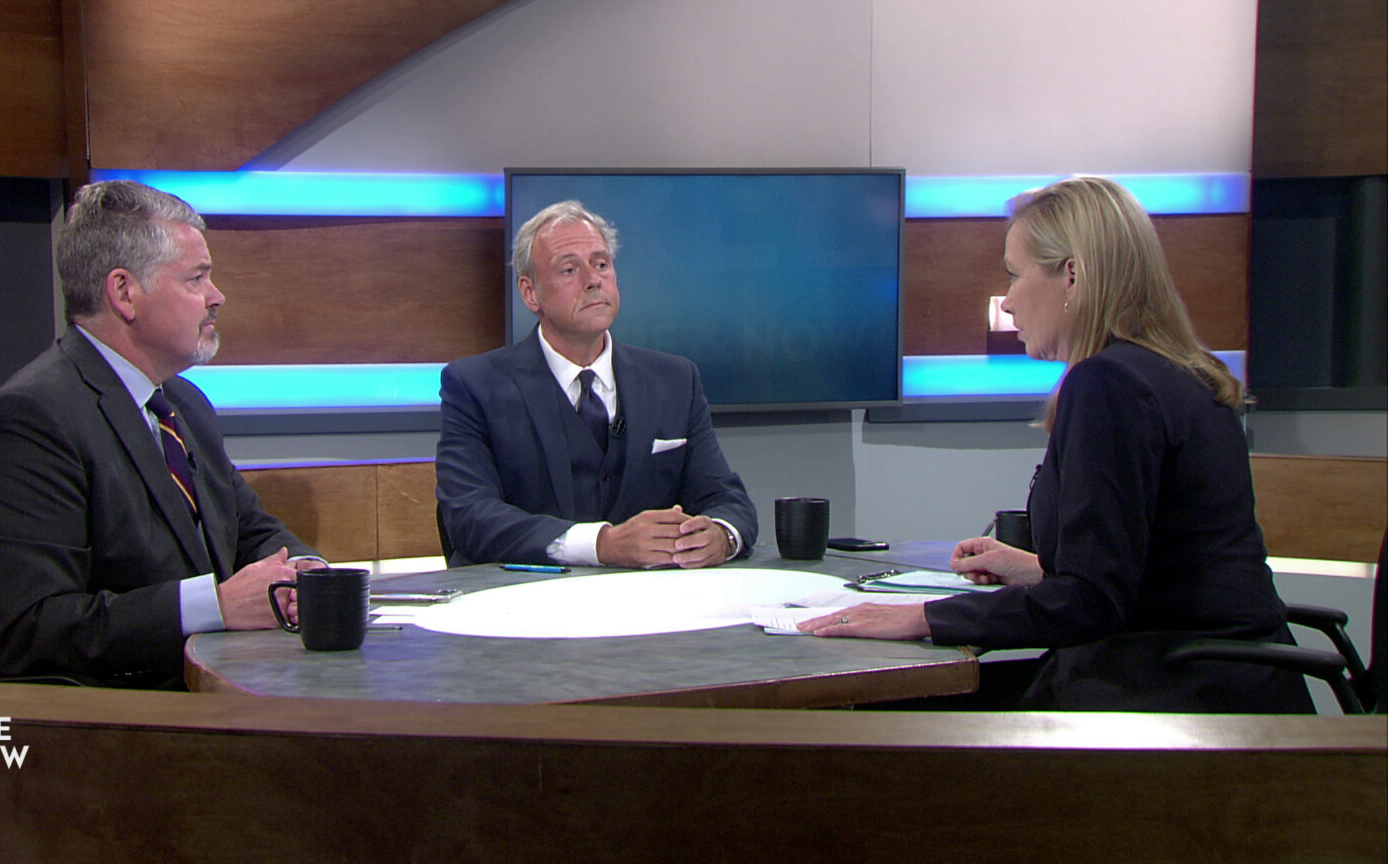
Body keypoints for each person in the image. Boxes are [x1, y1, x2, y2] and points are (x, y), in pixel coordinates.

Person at [800, 176, 1313, 713]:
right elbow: (1161, 566)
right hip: (1229, 680)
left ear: (1072, 275)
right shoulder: (1185, 373)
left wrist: (924, 617)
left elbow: (1092, 603)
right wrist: (1036, 569)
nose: (1011, 304)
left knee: (884, 723)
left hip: (1175, 695)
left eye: (1016, 276)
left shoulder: (1109, 385)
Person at [0, 180, 324, 688]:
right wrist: (214, 606)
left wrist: (303, 572)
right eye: (196, 279)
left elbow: (248, 528)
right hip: (110, 721)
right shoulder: (29, 421)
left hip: (209, 688)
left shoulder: (183, 404)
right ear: (124, 292)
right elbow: (28, 630)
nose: (217, 297)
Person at [436, 200, 757, 569]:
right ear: (530, 293)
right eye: (569, 269)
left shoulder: (676, 380)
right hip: (524, 605)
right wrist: (600, 544)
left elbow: (728, 500)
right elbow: (469, 519)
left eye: (601, 264)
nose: (593, 279)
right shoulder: (474, 386)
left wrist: (719, 535)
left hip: (654, 608)